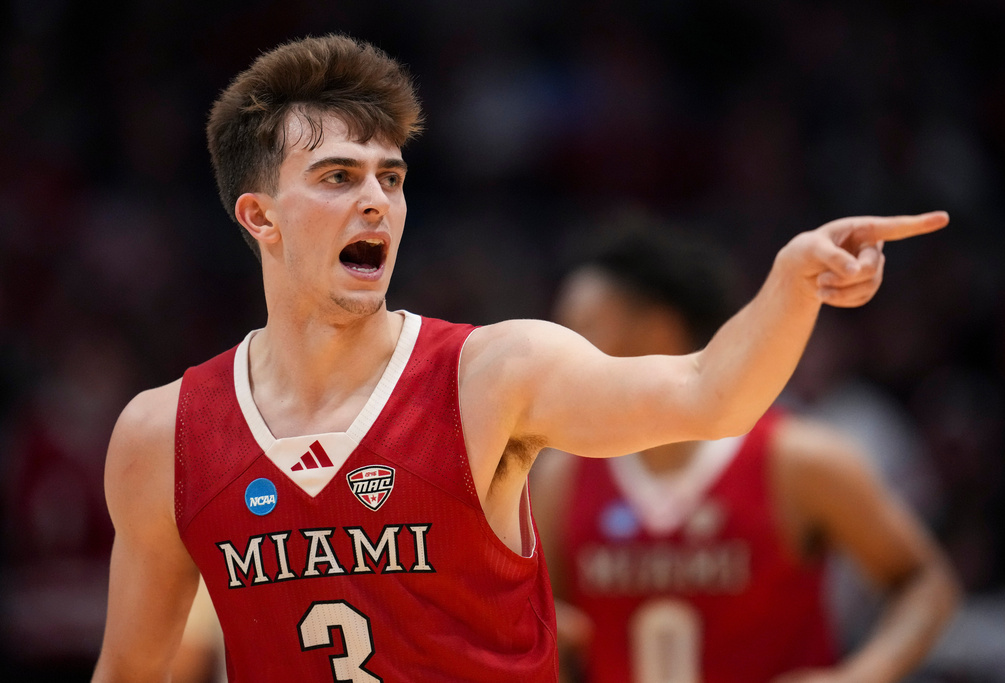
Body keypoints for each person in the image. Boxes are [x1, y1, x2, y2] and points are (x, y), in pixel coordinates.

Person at [90, 32, 948, 682]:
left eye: (390, 177)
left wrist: (792, 283)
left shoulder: (492, 373)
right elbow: (131, 672)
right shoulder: (162, 433)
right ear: (260, 218)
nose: (377, 202)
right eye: (339, 177)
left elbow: (705, 392)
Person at [530, 223, 960, 683]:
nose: (563, 352)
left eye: (584, 327)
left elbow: (925, 581)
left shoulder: (798, 459)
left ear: (659, 330)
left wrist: (862, 675)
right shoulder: (562, 475)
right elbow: (550, 626)